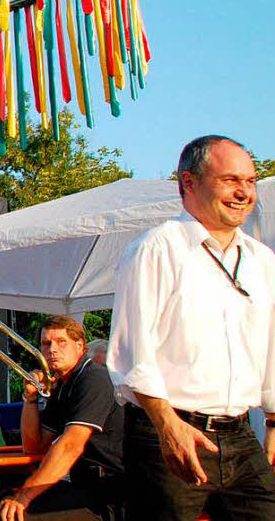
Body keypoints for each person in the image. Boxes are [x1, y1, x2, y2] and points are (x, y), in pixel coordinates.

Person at [108, 135, 275, 521]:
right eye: (231, 180)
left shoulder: (261, 260)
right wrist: (168, 426)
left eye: (250, 181)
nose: (244, 193)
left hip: (241, 436)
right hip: (169, 432)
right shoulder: (157, 248)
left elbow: (268, 346)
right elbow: (133, 353)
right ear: (189, 182)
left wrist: (272, 420)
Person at [0, 316, 124, 521]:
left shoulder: (94, 379)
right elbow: (34, 447)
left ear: (80, 346)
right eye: (46, 343)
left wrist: (24, 496)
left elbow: (71, 445)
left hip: (112, 491)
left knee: (14, 515)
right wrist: (31, 398)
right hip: (85, 484)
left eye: (61, 342)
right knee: (0, 505)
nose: (52, 349)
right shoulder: (64, 385)